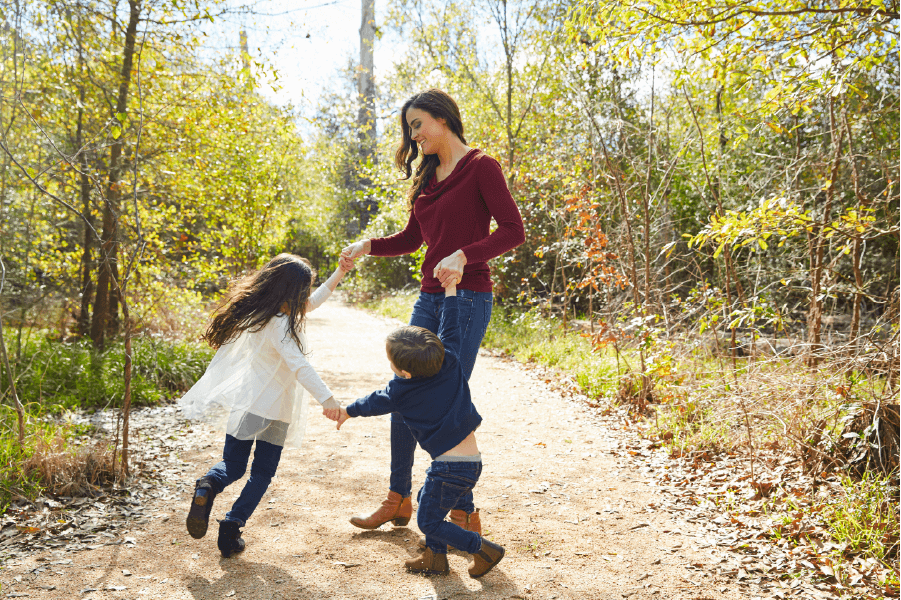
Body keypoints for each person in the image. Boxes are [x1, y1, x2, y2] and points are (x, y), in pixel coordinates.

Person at [341, 88, 524, 533]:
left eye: (418, 123)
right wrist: (366, 246)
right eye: (410, 127)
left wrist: (464, 256)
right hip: (428, 296)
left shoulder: (482, 168)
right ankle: (398, 497)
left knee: (445, 397)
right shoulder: (426, 178)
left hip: (467, 297)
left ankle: (464, 512)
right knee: (403, 390)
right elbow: (411, 240)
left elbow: (513, 231)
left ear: (443, 119)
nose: (414, 134)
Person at [178, 253, 353, 557]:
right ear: (293, 292)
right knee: (262, 473)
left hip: (246, 403)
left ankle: (208, 484)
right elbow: (300, 366)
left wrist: (339, 271)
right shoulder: (283, 325)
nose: (305, 298)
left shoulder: (259, 313)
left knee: (232, 465)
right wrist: (328, 399)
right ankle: (231, 527)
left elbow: (314, 301)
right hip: (275, 410)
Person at [330, 279, 505, 578]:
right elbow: (451, 323)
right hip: (471, 463)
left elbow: (372, 402)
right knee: (427, 500)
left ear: (404, 372)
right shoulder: (449, 358)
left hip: (448, 468)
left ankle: (484, 550)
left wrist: (347, 410)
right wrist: (450, 291)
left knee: (428, 522)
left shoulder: (401, 391)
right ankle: (434, 558)